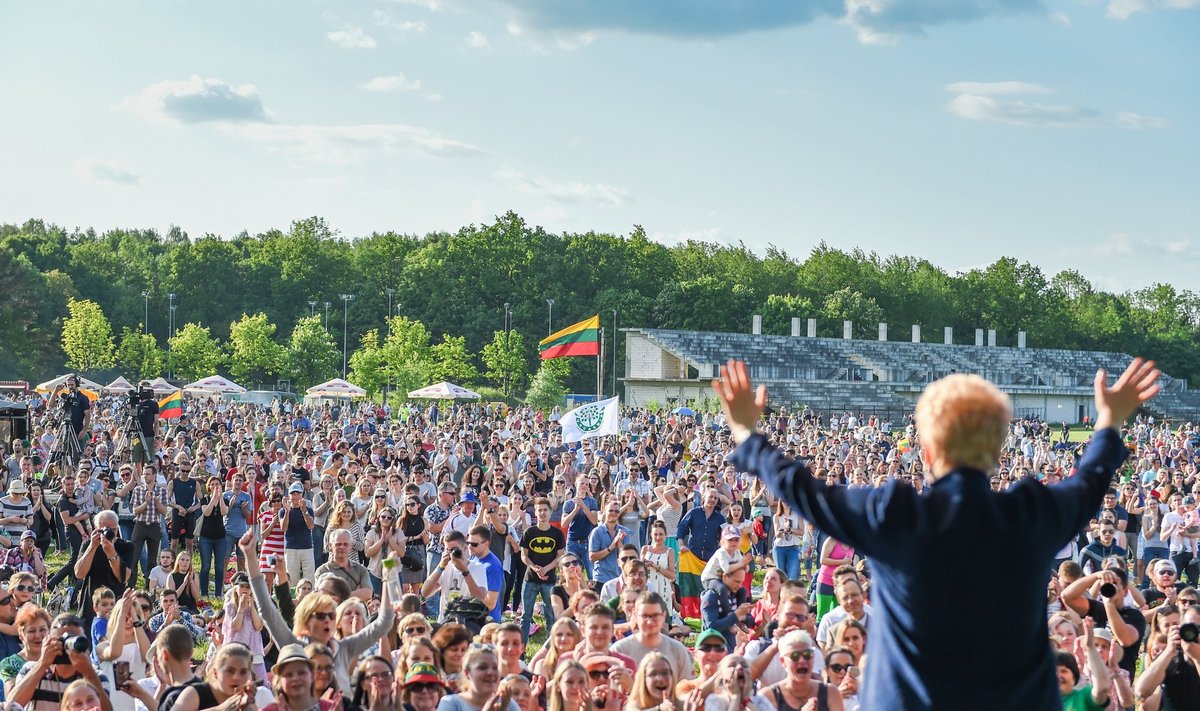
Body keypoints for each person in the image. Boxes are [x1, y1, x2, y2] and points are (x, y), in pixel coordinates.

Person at [711, 357, 1160, 708]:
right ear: (1000, 448)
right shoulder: (1031, 515)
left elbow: (805, 489)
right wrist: (1109, 421)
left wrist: (748, 433)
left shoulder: (895, 516)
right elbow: (1090, 480)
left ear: (925, 448)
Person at [241, 528, 395, 693]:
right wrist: (250, 557)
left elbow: (384, 622)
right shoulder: (294, 646)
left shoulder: (344, 647)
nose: (328, 620)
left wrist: (388, 573)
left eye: (331, 615)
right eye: (321, 615)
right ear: (307, 618)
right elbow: (266, 608)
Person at [10, 612, 114, 711]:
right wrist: (42, 664)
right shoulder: (31, 669)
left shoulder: (96, 676)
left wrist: (88, 673)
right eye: (63, 641)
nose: (69, 647)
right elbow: (11, 706)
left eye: (76, 640)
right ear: (49, 640)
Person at [610, 591, 694, 683]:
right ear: (635, 614)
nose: (650, 622)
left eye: (655, 616)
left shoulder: (678, 650)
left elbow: (686, 688)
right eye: (645, 616)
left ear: (664, 615)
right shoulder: (619, 650)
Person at [73, 512, 133, 627]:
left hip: (115, 605)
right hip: (91, 606)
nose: (110, 533)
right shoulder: (88, 545)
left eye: (113, 530)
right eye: (105, 529)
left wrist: (111, 552)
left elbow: (123, 577)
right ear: (96, 529)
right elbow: (79, 574)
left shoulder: (126, 546)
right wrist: (92, 546)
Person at [760, 630, 842, 711]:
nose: (802, 661)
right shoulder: (767, 697)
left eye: (807, 654)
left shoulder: (830, 693)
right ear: (782, 661)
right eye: (795, 655)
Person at [519, 497, 564, 640]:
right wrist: (534, 568)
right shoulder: (529, 532)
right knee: (525, 616)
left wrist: (546, 568)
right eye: (540, 510)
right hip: (530, 579)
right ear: (536, 513)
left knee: (551, 616)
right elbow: (523, 556)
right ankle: (521, 652)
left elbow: (560, 557)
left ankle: (552, 650)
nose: (543, 513)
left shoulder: (557, 534)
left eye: (545, 510)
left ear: (550, 512)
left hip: (549, 580)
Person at [421, 531, 490, 625]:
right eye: (448, 550)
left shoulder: (478, 568)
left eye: (454, 549)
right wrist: (440, 566)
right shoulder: (446, 568)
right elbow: (425, 593)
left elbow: (480, 597)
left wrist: (464, 571)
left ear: (465, 548)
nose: (451, 553)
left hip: (467, 624)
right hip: (445, 623)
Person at [169, 643, 257, 711]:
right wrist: (218, 709)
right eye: (230, 671)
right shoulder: (196, 693)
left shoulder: (247, 698)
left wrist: (247, 707)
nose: (236, 677)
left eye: (243, 672)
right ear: (216, 673)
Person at [436, 644, 521, 711]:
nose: (490, 672)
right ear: (467, 673)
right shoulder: (451, 703)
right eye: (483, 667)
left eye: (495, 667)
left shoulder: (508, 704)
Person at [1055, 618, 1110, 711]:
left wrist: (1091, 647)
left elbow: (1102, 688)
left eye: (1064, 671)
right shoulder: (1038, 700)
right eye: (1054, 671)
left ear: (1074, 676)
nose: (1058, 676)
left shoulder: (1084, 696)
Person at [262, 643, 336, 711]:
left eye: (301, 673)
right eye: (289, 675)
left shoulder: (331, 707)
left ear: (312, 675)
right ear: (280, 680)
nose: (295, 678)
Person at [316, 529, 373, 602]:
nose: (342, 547)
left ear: (351, 546)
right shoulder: (322, 571)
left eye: (345, 544)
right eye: (338, 544)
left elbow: (368, 594)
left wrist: (336, 595)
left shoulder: (361, 569)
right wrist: (356, 593)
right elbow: (322, 599)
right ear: (330, 546)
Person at [703, 655, 776, 711]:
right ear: (722, 677)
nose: (740, 667)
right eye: (732, 665)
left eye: (745, 666)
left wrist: (747, 701)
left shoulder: (760, 700)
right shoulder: (715, 700)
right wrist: (736, 696)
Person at [466, 526, 505, 623]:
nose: (470, 546)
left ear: (486, 544)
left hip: (487, 622)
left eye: (474, 544)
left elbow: (491, 604)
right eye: (468, 543)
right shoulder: (473, 557)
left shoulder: (492, 566)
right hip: (474, 617)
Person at [282, 482, 318, 586]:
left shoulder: (308, 510)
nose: (296, 496)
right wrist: (287, 511)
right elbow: (284, 528)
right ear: (289, 495)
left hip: (306, 547)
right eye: (293, 494)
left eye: (298, 493)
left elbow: (311, 526)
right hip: (291, 548)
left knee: (309, 579)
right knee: (292, 580)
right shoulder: (283, 511)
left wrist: (304, 511)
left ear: (302, 495)